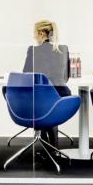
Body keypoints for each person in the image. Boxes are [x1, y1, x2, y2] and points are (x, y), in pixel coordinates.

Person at [23, 19, 72, 148]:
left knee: (41, 101)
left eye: (34, 33)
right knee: (48, 104)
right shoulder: (64, 49)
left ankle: (47, 144)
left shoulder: (33, 50)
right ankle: (52, 147)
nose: (34, 36)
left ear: (41, 33)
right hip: (61, 96)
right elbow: (66, 77)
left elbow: (26, 75)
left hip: (41, 97)